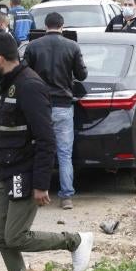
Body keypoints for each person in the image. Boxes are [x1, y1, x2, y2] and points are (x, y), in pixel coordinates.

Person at [0, 32, 94, 271]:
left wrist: (41, 184)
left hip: (25, 172)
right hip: (6, 169)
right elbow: (9, 129)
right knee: (0, 236)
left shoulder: (30, 85)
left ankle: (74, 241)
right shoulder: (8, 82)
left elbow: (45, 138)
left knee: (16, 236)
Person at [23, 12, 87, 209]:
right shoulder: (72, 46)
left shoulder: (32, 46)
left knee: (37, 150)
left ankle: (36, 191)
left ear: (45, 25)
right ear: (62, 26)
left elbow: (24, 73)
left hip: (39, 106)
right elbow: (82, 75)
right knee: (64, 153)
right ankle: (66, 196)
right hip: (63, 106)